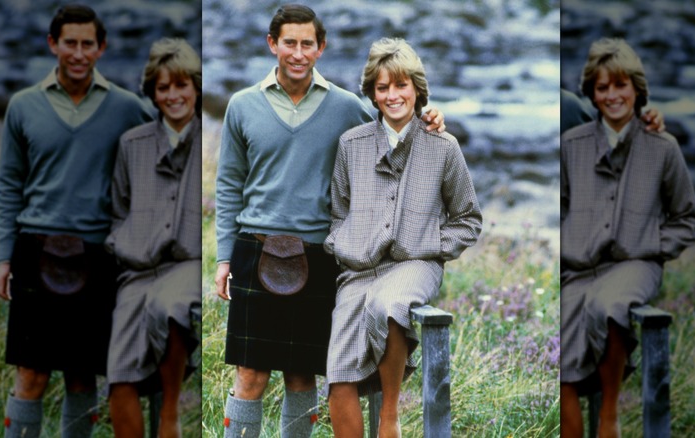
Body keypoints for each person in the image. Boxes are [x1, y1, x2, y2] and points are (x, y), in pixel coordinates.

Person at [214, 5, 444, 438]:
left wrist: (429, 119)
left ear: (320, 48)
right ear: (272, 45)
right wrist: (223, 259)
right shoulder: (242, 106)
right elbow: (228, 187)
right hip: (254, 248)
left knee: (302, 375)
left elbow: (392, 127)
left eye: (306, 43)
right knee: (250, 376)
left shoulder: (345, 107)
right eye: (289, 43)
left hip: (317, 255)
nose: (297, 53)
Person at [0, 4, 152, 437]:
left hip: (97, 255)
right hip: (34, 249)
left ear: (101, 48)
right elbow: (9, 187)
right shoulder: (24, 106)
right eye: (70, 43)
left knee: (83, 375)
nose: (78, 53)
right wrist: (4, 258)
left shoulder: (126, 108)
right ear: (53, 45)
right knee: (31, 373)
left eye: (88, 44)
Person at [324, 37, 482, 438]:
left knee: (389, 303)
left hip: (416, 266)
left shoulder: (443, 147)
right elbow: (338, 212)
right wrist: (344, 243)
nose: (393, 95)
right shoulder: (350, 145)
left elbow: (467, 218)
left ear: (417, 89)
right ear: (372, 95)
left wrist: (432, 245)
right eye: (383, 88)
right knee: (338, 375)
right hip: (358, 269)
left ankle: (388, 419)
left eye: (401, 85)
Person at [560, 38, 695, 438]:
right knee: (561, 355)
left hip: (636, 266)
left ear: (637, 89)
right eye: (602, 88)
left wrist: (652, 246)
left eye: (621, 85)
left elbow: (687, 218)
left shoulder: (663, 147)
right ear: (592, 93)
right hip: (580, 267)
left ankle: (609, 415)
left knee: (609, 305)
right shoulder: (572, 144)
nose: (612, 96)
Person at [104, 38, 201, 438]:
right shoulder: (132, 144)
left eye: (182, 85)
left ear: (196, 86)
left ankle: (170, 415)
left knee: (172, 306)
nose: (174, 95)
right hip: (138, 269)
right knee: (120, 374)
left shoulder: (213, 140)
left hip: (188, 264)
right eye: (164, 88)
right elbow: (119, 206)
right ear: (153, 93)